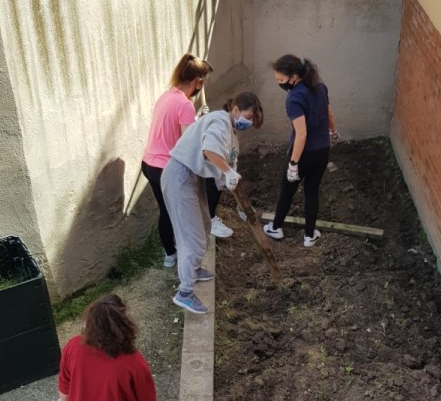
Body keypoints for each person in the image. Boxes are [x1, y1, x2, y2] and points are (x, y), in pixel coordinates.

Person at [161, 92, 264, 315]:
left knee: (205, 225)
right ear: (235, 109)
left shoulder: (231, 133)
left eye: (252, 120)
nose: (248, 122)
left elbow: (230, 171)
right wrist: (227, 172)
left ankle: (195, 269)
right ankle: (185, 293)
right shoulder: (219, 121)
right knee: (192, 239)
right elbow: (209, 151)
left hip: (192, 177)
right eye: (247, 116)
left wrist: (242, 207)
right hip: (179, 177)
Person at [141, 54, 233, 269]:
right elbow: (188, 143)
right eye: (203, 82)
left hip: (149, 163)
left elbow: (176, 127)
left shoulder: (167, 96)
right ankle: (190, 254)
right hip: (165, 167)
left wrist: (197, 119)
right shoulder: (184, 104)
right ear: (198, 82)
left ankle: (169, 255)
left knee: (165, 210)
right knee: (181, 213)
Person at [263, 54, 339, 248]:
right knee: (312, 191)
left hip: (303, 153)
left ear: (294, 76)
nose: (280, 83)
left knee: (288, 191)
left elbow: (301, 134)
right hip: (322, 151)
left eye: (281, 79)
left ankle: (276, 227)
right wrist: (333, 131)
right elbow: (329, 114)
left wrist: (293, 163)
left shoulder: (294, 98)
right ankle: (309, 235)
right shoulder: (320, 88)